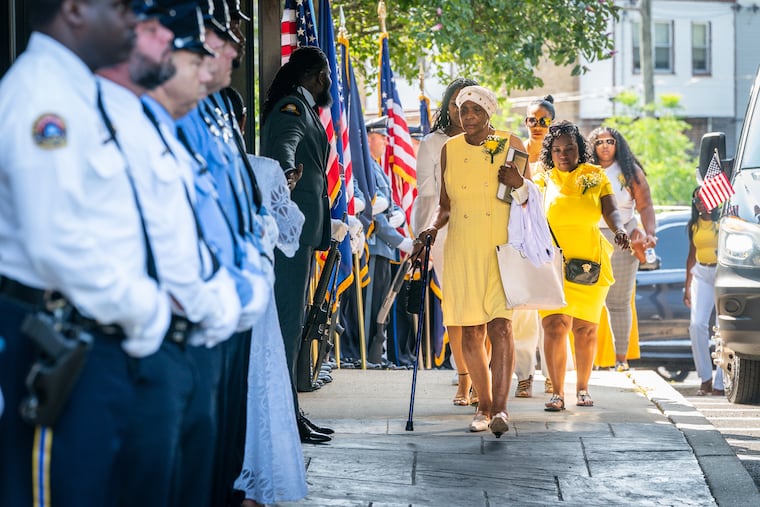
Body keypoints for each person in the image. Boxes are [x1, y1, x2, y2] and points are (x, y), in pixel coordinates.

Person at [0, 2, 169, 505]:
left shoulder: (77, 90)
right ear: (73, 9)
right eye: (118, 7)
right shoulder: (42, 95)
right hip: (56, 340)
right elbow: (56, 241)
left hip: (93, 336)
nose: (131, 22)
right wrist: (143, 307)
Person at [99, 5, 245, 506]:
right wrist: (195, 305)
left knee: (191, 475)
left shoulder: (166, 122)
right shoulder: (107, 114)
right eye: (192, 57)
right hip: (150, 335)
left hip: (191, 327)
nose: (207, 67)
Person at [416, 85, 528, 436]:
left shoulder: (512, 144)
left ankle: (501, 409)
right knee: (469, 330)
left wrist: (520, 184)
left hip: (499, 248)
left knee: (501, 327)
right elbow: (444, 205)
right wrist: (429, 229)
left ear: (488, 113)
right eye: (462, 111)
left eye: (474, 111)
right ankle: (483, 406)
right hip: (462, 247)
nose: (466, 118)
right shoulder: (449, 149)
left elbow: (529, 200)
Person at [261, 45, 348, 444]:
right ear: (315, 75)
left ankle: (291, 410)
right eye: (327, 73)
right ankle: (282, 416)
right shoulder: (293, 108)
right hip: (289, 234)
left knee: (295, 325)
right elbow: (284, 146)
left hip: (301, 233)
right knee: (287, 324)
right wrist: (285, 174)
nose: (329, 81)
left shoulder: (305, 106)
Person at [534, 121, 630, 412]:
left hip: (589, 261)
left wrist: (619, 228)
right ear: (551, 152)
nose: (564, 154)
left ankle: (583, 388)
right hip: (552, 263)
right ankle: (556, 393)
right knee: (554, 326)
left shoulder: (595, 175)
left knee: (585, 330)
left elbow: (611, 208)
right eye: (558, 150)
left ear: (580, 149)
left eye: (570, 149)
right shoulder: (542, 180)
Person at [411, 77, 480, 404]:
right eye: (455, 103)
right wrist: (421, 236)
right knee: (455, 308)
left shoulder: (492, 142)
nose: (461, 110)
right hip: (445, 231)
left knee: (483, 309)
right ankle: (463, 379)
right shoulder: (432, 143)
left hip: (484, 230)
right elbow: (426, 194)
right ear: (447, 106)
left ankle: (484, 379)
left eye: (468, 103)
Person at [589, 126, 657, 371]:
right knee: (590, 302)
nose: (605, 146)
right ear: (592, 146)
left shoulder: (629, 172)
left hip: (623, 239)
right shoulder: (586, 171)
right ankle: (591, 360)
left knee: (618, 302)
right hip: (590, 239)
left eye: (610, 141)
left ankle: (621, 360)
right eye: (599, 142)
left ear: (618, 145)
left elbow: (646, 206)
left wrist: (649, 233)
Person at [513, 95, 557, 398]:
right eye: (532, 120)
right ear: (525, 121)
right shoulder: (514, 153)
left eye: (543, 121)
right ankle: (525, 375)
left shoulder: (560, 155)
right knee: (524, 314)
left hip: (552, 241)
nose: (538, 126)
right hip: (522, 240)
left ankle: (553, 376)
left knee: (553, 314)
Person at [363, 121, 415, 367]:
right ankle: (368, 354)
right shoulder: (367, 169)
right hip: (375, 244)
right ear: (370, 138)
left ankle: (376, 355)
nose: (385, 142)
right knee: (371, 305)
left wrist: (400, 217)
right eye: (380, 137)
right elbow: (374, 215)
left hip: (384, 247)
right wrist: (399, 239)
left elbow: (389, 206)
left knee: (381, 306)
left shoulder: (377, 168)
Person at [685, 187, 724, 396]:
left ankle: (720, 383)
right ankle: (705, 379)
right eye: (696, 200)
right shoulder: (694, 225)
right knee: (697, 324)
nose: (700, 203)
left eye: (703, 199)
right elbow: (691, 255)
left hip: (721, 273)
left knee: (722, 327)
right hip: (701, 272)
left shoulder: (723, 222)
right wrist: (687, 286)